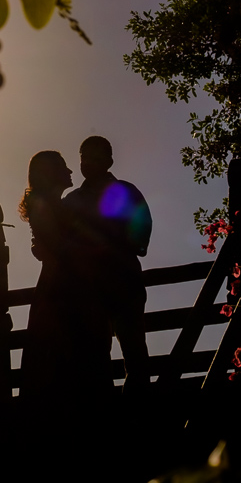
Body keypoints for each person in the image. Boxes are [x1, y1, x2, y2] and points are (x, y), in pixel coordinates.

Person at [18, 150, 113, 410]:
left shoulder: (57, 206)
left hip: (64, 287)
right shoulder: (46, 206)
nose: (70, 171)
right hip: (63, 292)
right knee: (67, 355)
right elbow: (61, 247)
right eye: (62, 167)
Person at [63, 136, 152, 393]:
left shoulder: (125, 191)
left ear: (109, 161)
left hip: (124, 282)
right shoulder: (72, 200)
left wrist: (113, 247)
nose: (88, 163)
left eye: (94, 157)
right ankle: (104, 415)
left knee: (134, 351)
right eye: (84, 158)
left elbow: (142, 230)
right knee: (94, 354)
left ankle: (136, 411)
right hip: (88, 288)